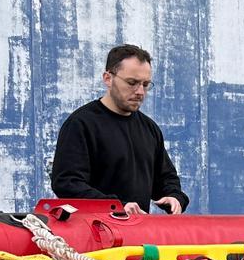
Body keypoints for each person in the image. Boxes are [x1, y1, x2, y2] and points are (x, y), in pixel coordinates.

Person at [51, 45, 189, 217]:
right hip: (95, 234)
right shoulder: (81, 124)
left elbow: (166, 178)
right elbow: (67, 183)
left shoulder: (149, 129)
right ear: (108, 78)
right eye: (132, 83)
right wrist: (116, 207)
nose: (140, 92)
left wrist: (174, 197)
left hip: (139, 234)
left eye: (145, 84)